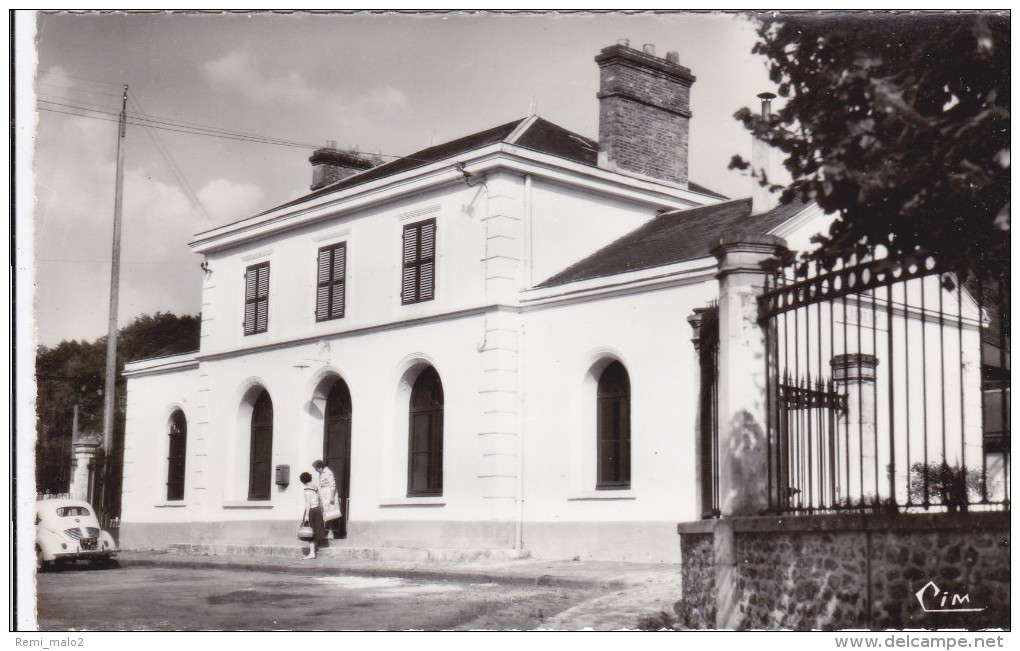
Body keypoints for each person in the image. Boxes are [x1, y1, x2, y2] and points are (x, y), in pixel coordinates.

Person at [299, 471, 326, 559]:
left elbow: (308, 504)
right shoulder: (315, 487)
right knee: (316, 530)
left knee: (310, 531)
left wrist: (306, 516)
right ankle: (313, 551)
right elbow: (320, 499)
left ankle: (312, 553)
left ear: (303, 481)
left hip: (311, 511)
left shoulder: (306, 490)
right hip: (318, 510)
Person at [312, 460, 339, 538]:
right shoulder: (321, 473)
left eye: (316, 469)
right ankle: (323, 533)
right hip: (324, 495)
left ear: (320, 467)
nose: (316, 471)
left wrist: (331, 498)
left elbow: (332, 485)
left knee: (330, 514)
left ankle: (330, 533)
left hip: (329, 494)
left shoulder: (328, 472)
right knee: (324, 514)